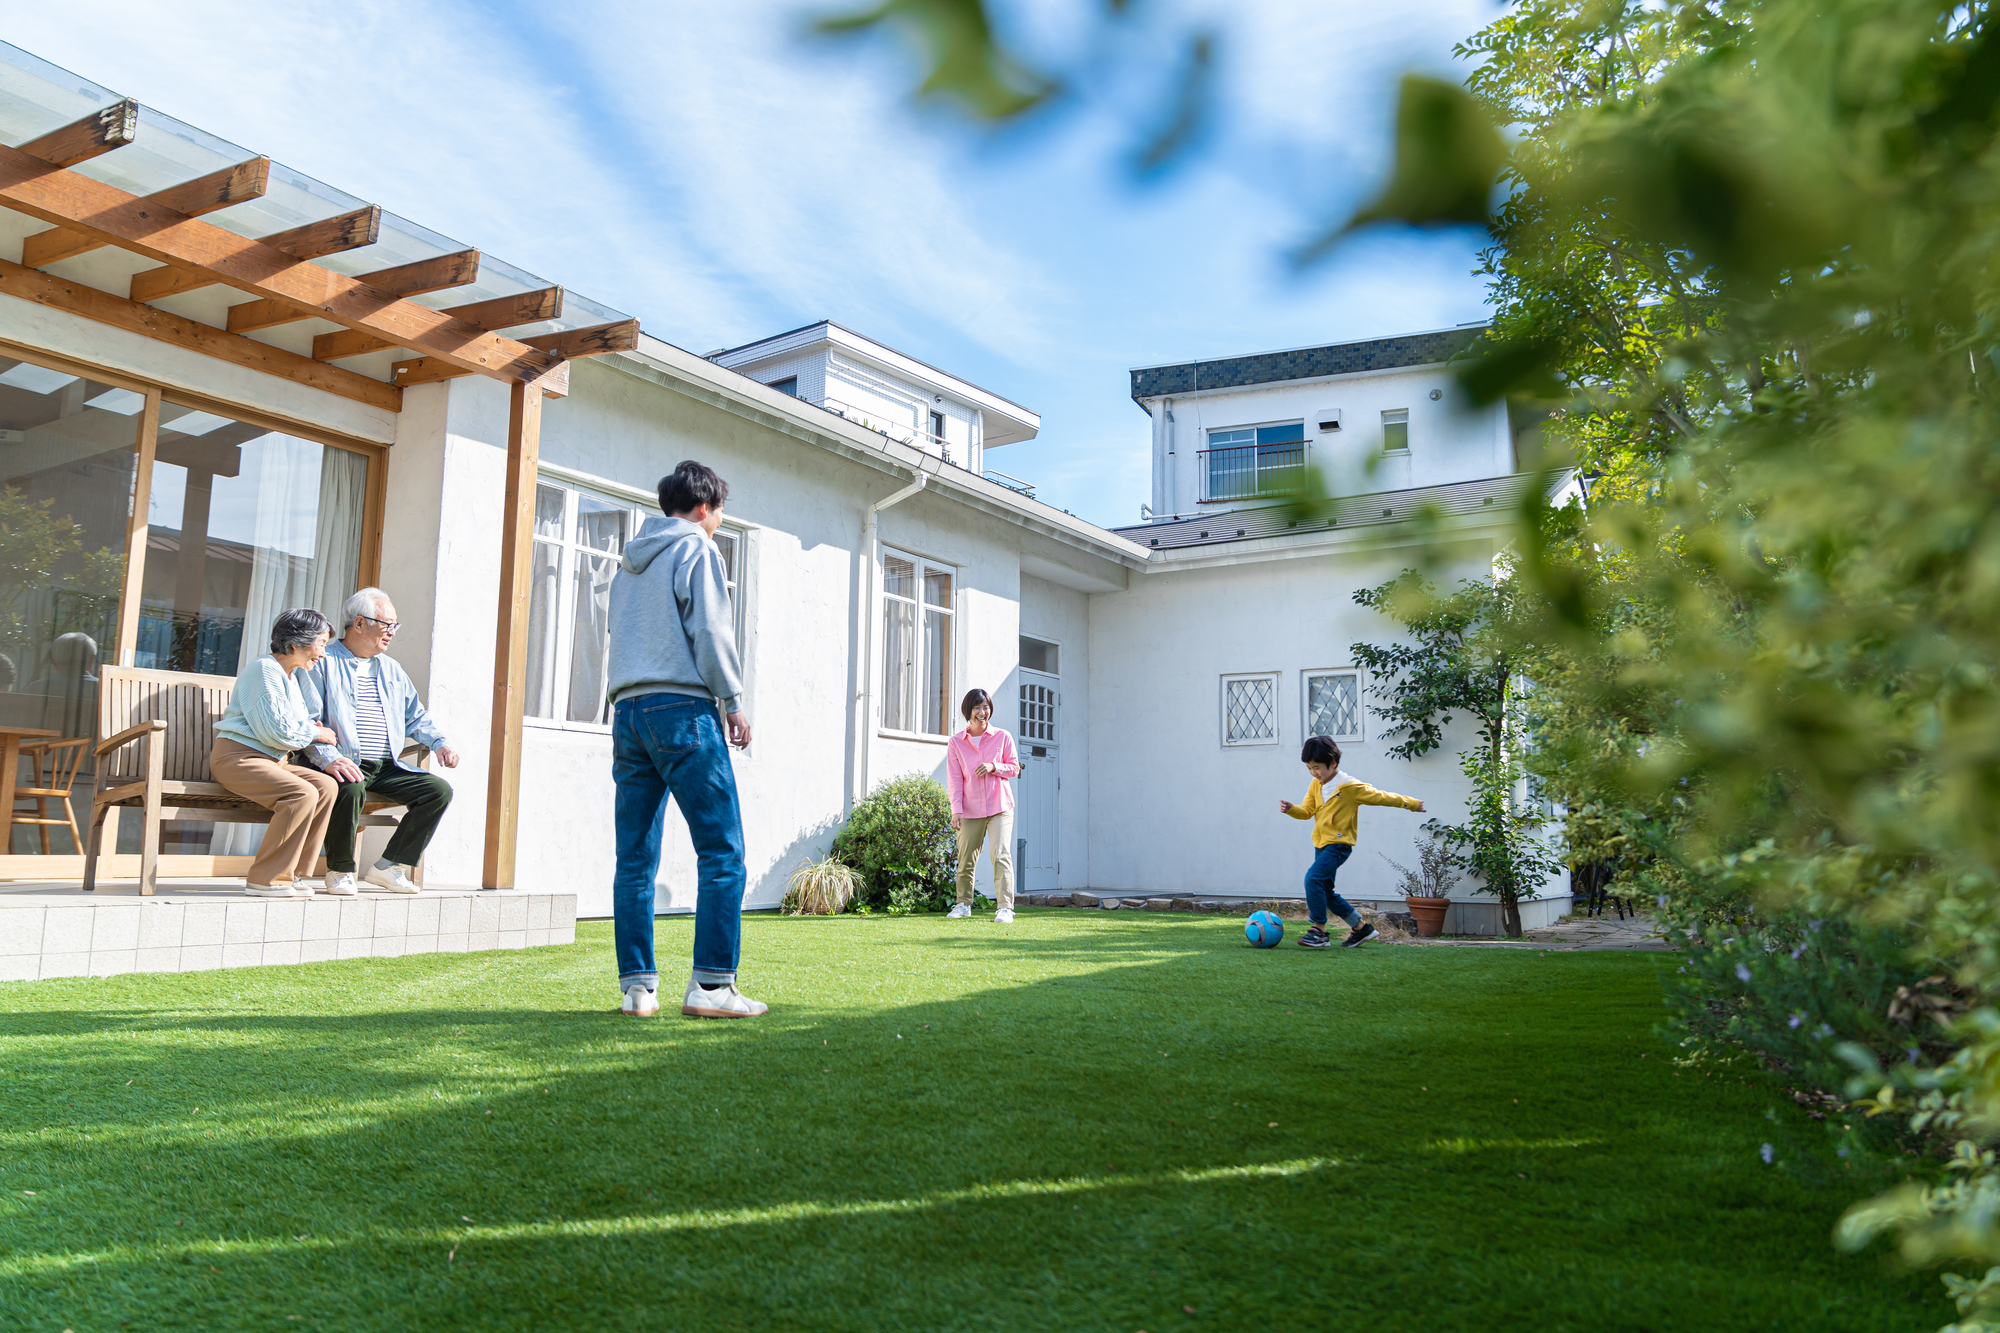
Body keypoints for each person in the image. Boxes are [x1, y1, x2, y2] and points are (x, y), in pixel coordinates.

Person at [605, 458, 762, 1020]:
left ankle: (637, 990)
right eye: (719, 512)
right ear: (704, 508)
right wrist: (734, 701)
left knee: (634, 858)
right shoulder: (697, 547)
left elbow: (616, 634)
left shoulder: (628, 564)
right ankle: (713, 987)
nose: (719, 521)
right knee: (722, 849)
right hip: (682, 709)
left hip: (627, 712)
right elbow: (711, 629)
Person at [298, 589, 459, 896]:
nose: (391, 632)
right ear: (359, 624)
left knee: (437, 791)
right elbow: (307, 719)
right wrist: (329, 757)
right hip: (338, 759)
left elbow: (415, 716)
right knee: (349, 785)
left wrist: (440, 743)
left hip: (385, 765)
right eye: (386, 624)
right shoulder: (323, 662)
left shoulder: (391, 669)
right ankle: (340, 870)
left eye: (395, 626)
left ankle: (389, 866)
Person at [210, 609, 341, 899]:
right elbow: (278, 731)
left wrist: (307, 728)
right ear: (295, 643)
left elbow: (292, 726)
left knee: (326, 785)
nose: (323, 653)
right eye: (320, 643)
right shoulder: (264, 669)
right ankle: (266, 879)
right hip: (238, 758)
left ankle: (293, 873)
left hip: (273, 761)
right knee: (301, 793)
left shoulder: (290, 677)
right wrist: (315, 732)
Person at [1279, 735, 1426, 948]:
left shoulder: (1349, 786)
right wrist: (1292, 809)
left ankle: (1319, 931)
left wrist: (1412, 804)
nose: (1313, 772)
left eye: (1317, 767)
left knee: (1313, 880)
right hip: (1321, 845)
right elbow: (1307, 811)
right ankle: (1361, 928)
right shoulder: (1316, 784)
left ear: (1333, 763)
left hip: (1339, 845)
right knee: (1326, 893)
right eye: (1309, 768)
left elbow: (1381, 796)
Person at [944, 687, 1021, 923]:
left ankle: (1005, 908)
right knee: (966, 858)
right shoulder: (956, 743)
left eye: (986, 707)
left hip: (1000, 807)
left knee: (1000, 854)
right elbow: (955, 779)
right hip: (970, 809)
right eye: (977, 707)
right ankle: (963, 904)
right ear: (968, 711)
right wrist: (955, 809)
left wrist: (993, 766)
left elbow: (1014, 767)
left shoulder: (1003, 737)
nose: (982, 712)